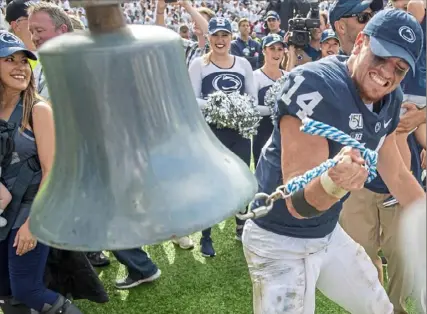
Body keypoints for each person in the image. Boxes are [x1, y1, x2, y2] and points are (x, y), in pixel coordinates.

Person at [242, 9, 425, 314]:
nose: (388, 73)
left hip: (327, 233)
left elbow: (397, 174)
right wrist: (334, 182)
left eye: (400, 68)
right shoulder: (314, 85)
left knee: (379, 307)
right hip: (279, 239)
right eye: (381, 56)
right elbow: (298, 203)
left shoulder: (390, 100)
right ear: (360, 42)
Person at [0, 31, 82, 313]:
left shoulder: (37, 110)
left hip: (32, 211)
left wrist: (33, 224)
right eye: (9, 59)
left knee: (28, 288)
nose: (20, 67)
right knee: (6, 290)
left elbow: (53, 172)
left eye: (24, 61)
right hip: (2, 212)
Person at [189, 17, 257, 256]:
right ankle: (206, 235)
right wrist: (218, 105)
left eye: (224, 35)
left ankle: (241, 225)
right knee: (211, 181)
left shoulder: (243, 64)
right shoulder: (199, 64)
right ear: (208, 38)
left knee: (242, 177)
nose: (220, 40)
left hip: (238, 132)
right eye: (215, 35)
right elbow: (191, 99)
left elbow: (252, 99)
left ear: (231, 38)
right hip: (211, 133)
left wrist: (236, 108)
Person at [252, 34, 286, 166]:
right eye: (272, 48)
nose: (276, 53)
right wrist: (275, 109)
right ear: (264, 51)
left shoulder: (288, 76)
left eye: (280, 49)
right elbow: (252, 107)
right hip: (263, 133)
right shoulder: (255, 76)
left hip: (284, 134)